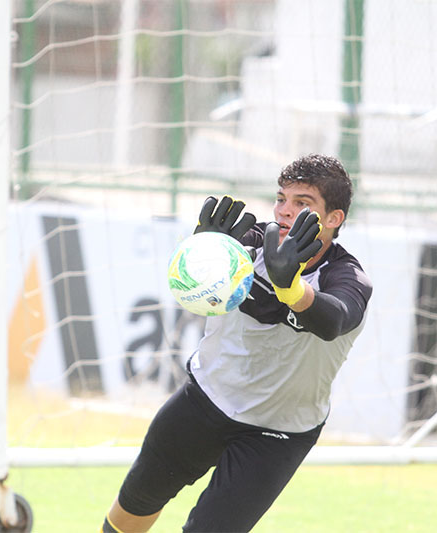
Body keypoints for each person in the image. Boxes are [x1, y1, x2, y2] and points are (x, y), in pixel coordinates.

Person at [101, 154, 373, 532]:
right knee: (134, 505)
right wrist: (201, 250)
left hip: (277, 433)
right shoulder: (246, 242)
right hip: (204, 401)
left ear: (334, 218)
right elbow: (191, 281)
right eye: (281, 199)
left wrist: (290, 288)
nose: (285, 211)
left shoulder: (349, 277)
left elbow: (334, 320)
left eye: (302, 203)